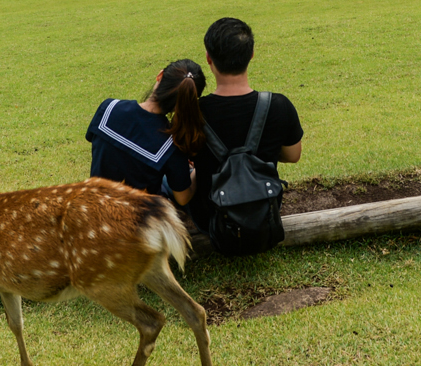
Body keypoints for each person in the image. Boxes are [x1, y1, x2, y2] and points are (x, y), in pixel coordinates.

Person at [188, 17, 302, 232]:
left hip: (211, 219)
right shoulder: (279, 106)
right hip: (265, 212)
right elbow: (293, 155)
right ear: (251, 54)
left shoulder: (192, 112)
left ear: (208, 58)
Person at [87, 60, 206, 204]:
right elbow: (183, 198)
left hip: (93, 207)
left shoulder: (108, 108)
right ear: (188, 101)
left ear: (160, 75)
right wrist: (199, 170)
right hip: (136, 219)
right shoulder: (171, 145)